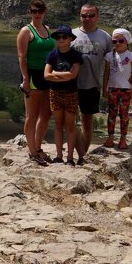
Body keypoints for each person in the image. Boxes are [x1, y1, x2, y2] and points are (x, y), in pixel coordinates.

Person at [71, 4, 112, 164]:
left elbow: (110, 64)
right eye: (84, 15)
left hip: (92, 85)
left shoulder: (105, 37)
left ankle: (82, 155)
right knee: (70, 122)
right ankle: (77, 154)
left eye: (91, 15)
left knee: (87, 122)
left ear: (98, 16)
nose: (87, 18)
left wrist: (106, 85)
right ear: (80, 16)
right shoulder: (71, 34)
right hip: (71, 85)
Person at [16, 0, 54, 166]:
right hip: (32, 75)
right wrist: (25, 78)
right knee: (32, 115)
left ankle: (38, 147)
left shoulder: (47, 29)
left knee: (46, 114)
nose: (37, 14)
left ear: (45, 12)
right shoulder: (26, 31)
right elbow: (21, 57)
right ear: (30, 12)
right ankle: (32, 151)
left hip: (47, 74)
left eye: (40, 11)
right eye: (34, 11)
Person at [43, 24, 83, 164]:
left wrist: (55, 73)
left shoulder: (76, 55)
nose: (61, 39)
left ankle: (70, 158)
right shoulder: (52, 55)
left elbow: (73, 75)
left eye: (64, 36)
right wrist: (64, 75)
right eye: (58, 37)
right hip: (55, 93)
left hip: (71, 93)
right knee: (58, 125)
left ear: (70, 39)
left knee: (70, 126)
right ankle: (59, 156)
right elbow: (46, 75)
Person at [104, 28, 132, 150]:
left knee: (124, 114)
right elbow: (106, 73)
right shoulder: (109, 56)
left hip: (125, 90)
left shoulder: (131, 56)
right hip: (113, 89)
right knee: (111, 114)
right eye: (115, 41)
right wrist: (105, 88)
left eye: (121, 40)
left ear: (127, 41)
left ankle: (123, 138)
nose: (117, 43)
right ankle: (110, 137)